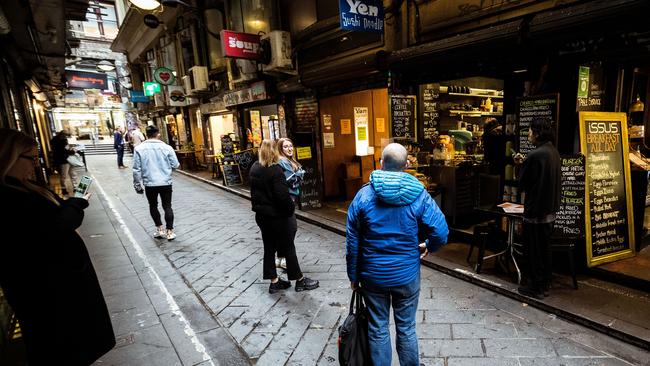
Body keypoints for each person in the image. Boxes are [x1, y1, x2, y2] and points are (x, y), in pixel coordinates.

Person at [0, 128, 115, 365]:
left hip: (56, 284)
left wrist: (72, 203)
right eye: (30, 158)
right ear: (9, 156)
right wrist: (77, 203)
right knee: (63, 346)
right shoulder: (10, 197)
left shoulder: (22, 186)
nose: (36, 164)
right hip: (48, 289)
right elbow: (57, 224)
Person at [346, 143, 449, 365]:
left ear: (381, 163)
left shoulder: (363, 195)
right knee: (406, 328)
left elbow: (352, 241)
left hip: (373, 276)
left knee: (378, 327)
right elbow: (441, 231)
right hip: (406, 275)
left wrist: (353, 276)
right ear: (407, 165)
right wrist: (429, 245)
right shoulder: (419, 194)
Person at [250, 139, 319, 294]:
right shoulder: (275, 170)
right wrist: (290, 210)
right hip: (278, 217)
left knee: (269, 248)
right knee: (288, 247)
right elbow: (282, 197)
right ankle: (300, 280)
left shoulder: (255, 167)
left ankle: (274, 282)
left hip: (262, 216)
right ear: (274, 151)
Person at [515, 118, 561, 299]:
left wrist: (520, 165)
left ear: (537, 132)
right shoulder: (553, 151)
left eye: (530, 131)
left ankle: (536, 287)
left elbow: (523, 184)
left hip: (535, 212)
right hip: (550, 210)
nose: (529, 135)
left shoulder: (535, 155)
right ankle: (545, 284)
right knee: (545, 249)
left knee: (533, 251)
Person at [133, 125, 180, 241]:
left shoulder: (139, 148)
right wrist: (167, 169)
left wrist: (137, 185)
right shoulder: (167, 147)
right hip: (165, 182)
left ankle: (160, 229)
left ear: (146, 135)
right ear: (158, 134)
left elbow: (136, 169)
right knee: (167, 206)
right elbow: (176, 165)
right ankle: (170, 232)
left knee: (153, 206)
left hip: (150, 184)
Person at [275, 137, 305, 270]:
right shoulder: (283, 161)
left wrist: (298, 175)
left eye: (290, 146)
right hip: (286, 200)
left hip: (290, 199)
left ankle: (280, 258)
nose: (289, 148)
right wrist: (300, 173)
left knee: (287, 229)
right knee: (290, 229)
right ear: (280, 149)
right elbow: (291, 180)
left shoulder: (290, 161)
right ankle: (284, 258)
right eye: (285, 146)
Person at [50, 130, 76, 196]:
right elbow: (61, 151)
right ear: (62, 135)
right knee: (63, 176)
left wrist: (71, 149)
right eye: (66, 136)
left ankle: (75, 187)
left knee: (72, 173)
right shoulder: (55, 141)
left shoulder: (64, 140)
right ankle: (64, 189)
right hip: (63, 160)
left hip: (68, 159)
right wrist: (71, 151)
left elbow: (66, 148)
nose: (66, 137)